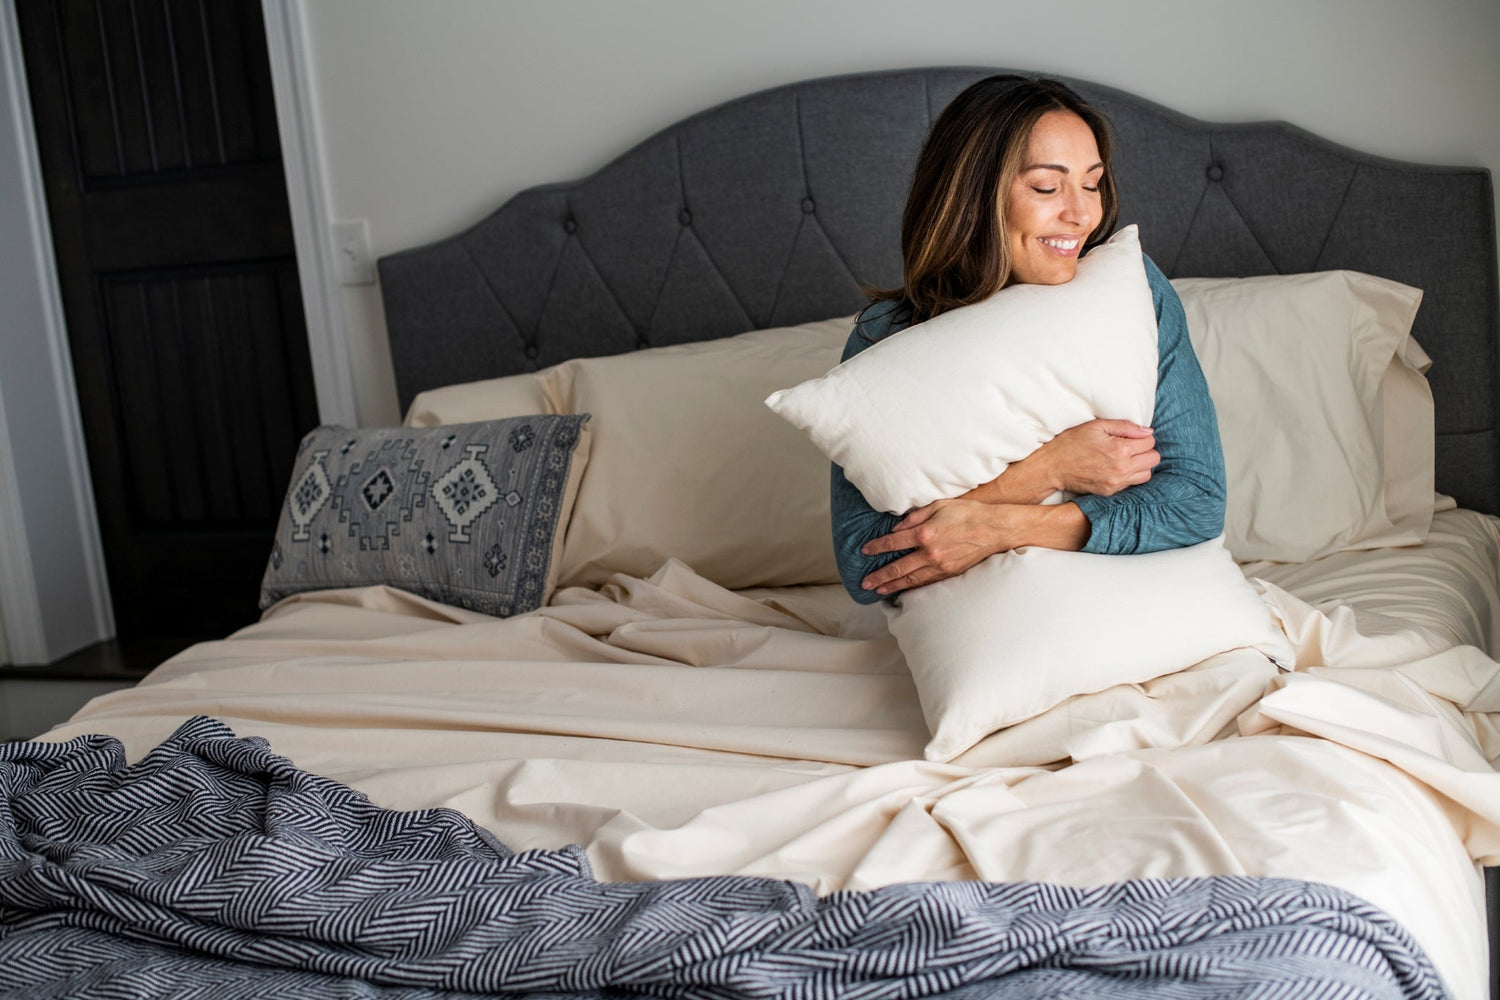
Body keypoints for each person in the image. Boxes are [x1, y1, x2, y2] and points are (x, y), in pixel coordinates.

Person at [833, 75, 1226, 605]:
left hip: (1142, 614)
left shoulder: (1134, 295)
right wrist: (1048, 469)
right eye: (1046, 186)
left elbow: (1197, 501)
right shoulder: (887, 337)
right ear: (972, 194)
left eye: (1091, 183)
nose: (1082, 214)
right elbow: (865, 563)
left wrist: (1004, 526)